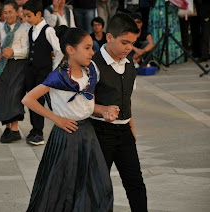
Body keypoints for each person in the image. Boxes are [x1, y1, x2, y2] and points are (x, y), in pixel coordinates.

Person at [22, 25, 114, 212]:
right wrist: (57, 119)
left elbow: (86, 106)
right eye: (87, 48)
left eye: (92, 47)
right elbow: (28, 99)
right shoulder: (59, 76)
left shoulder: (91, 71)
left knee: (98, 185)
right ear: (71, 50)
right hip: (66, 136)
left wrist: (104, 110)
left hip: (88, 134)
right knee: (63, 188)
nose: (92, 52)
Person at [90, 14, 148, 212]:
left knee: (136, 183)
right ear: (109, 37)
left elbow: (127, 98)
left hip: (124, 133)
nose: (129, 48)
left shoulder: (130, 64)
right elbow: (82, 104)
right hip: (99, 133)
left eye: (132, 43)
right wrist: (102, 110)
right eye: (124, 42)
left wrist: (131, 128)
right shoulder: (93, 65)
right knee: (100, 188)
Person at [23, 0, 63, 145]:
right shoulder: (31, 30)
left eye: (29, 16)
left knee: (39, 101)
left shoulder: (48, 30)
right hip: (31, 70)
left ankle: (39, 132)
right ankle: (34, 129)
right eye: (25, 16)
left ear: (38, 14)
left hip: (44, 71)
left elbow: (59, 51)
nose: (26, 19)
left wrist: (53, 70)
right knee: (30, 100)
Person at [0, 0, 28, 143]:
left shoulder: (23, 29)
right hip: (5, 65)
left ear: (17, 12)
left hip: (18, 65)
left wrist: (13, 52)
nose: (7, 15)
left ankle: (15, 129)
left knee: (14, 96)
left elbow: (26, 50)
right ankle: (7, 127)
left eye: (10, 12)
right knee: (4, 95)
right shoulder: (2, 27)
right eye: (5, 12)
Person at [148, 0, 184, 64]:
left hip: (170, 6)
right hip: (157, 6)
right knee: (158, 28)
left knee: (171, 27)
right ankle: (158, 57)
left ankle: (173, 57)